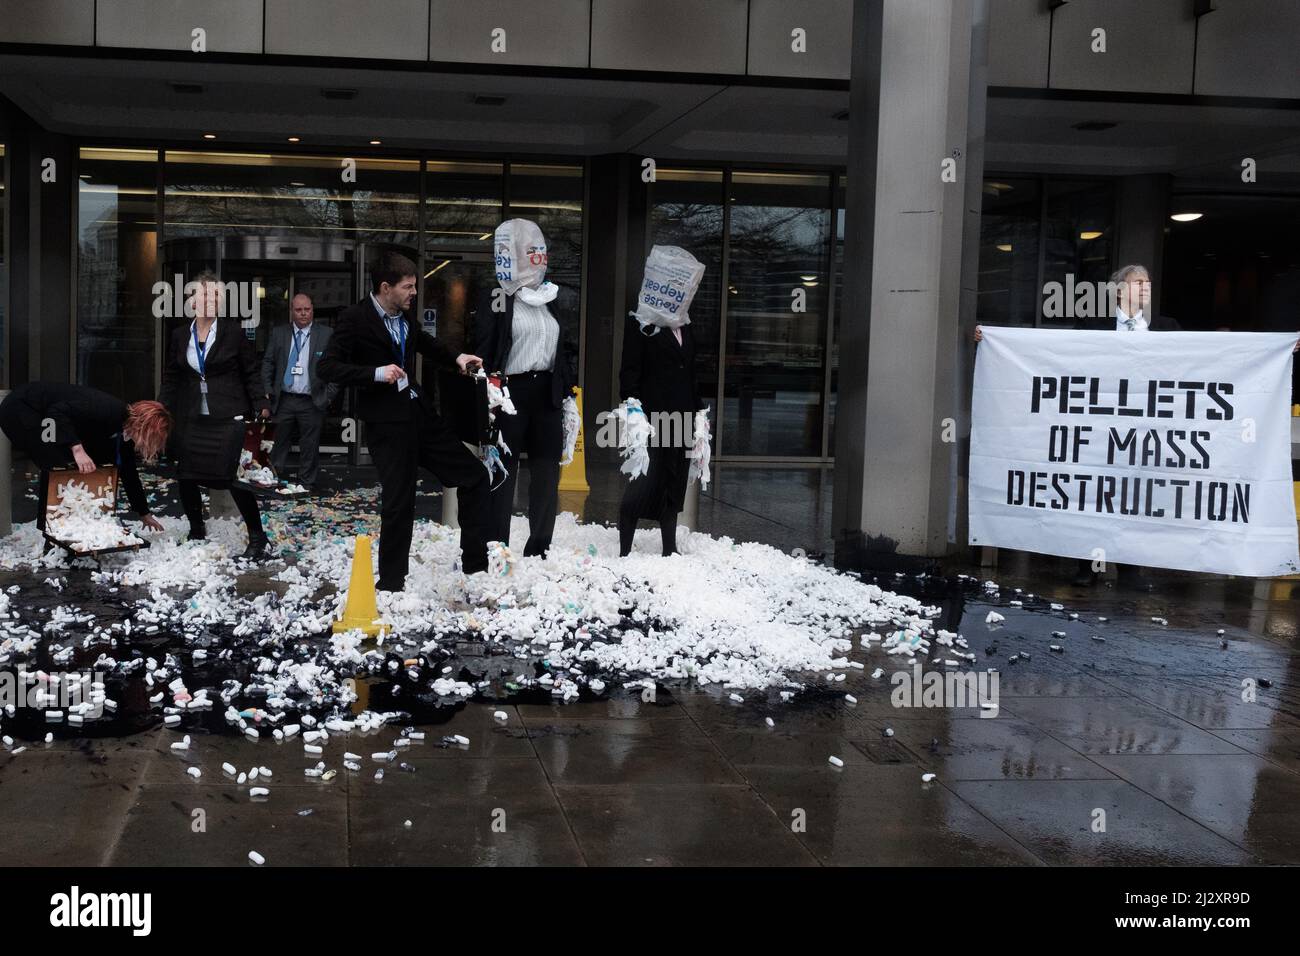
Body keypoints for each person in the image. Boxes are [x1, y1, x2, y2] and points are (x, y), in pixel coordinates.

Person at [318, 251, 489, 590]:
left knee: (474, 476)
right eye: (408, 287)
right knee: (400, 501)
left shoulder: (404, 317)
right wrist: (375, 373)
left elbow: (423, 342)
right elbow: (327, 368)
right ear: (386, 287)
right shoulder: (355, 318)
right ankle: (392, 583)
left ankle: (476, 567)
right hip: (386, 424)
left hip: (419, 413)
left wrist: (457, 357)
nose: (414, 293)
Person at [474, 219, 579, 557]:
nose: (537, 260)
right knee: (503, 471)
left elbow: (564, 349)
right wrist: (485, 392)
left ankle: (540, 546)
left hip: (547, 393)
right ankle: (496, 545)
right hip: (510, 394)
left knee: (547, 474)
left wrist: (568, 392)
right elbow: (484, 348)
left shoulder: (550, 298)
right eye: (529, 254)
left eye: (539, 253)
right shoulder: (498, 298)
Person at [159, 271, 274, 559]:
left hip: (228, 415)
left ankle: (258, 537)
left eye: (215, 295)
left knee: (235, 478)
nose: (210, 300)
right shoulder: (178, 334)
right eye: (204, 294)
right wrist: (161, 409)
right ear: (192, 301)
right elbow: (172, 376)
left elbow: (250, 370)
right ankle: (196, 530)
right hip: (192, 416)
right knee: (186, 475)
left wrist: (261, 402)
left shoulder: (232, 332)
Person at [617, 247, 709, 558]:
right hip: (652, 417)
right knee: (643, 481)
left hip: (683, 414)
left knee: (674, 479)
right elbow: (629, 371)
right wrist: (633, 410)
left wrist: (699, 412)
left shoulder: (686, 325)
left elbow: (691, 370)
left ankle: (669, 547)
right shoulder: (642, 324)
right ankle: (625, 548)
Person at [0, 383, 171, 533]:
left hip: (46, 417)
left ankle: (70, 526)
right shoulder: (108, 410)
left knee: (83, 462)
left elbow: (129, 472)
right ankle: (55, 531)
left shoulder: (125, 434)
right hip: (22, 407)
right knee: (57, 466)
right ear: (144, 427)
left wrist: (144, 513)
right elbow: (57, 412)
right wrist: (77, 449)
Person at [262, 293, 338, 489]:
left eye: (307, 309)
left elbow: (336, 367)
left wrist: (328, 396)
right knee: (278, 442)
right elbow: (268, 363)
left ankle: (306, 484)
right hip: (284, 398)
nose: (303, 313)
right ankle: (273, 480)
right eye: (299, 310)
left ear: (312, 309)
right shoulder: (279, 333)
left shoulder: (326, 334)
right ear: (291, 312)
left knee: (309, 445)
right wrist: (268, 392)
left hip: (312, 399)